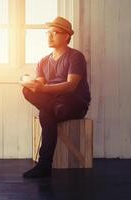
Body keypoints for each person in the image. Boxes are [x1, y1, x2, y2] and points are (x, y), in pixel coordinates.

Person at [21, 16, 91, 178]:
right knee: (28, 93)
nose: (49, 36)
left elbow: (71, 85)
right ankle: (44, 166)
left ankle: (43, 166)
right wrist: (28, 83)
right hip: (55, 104)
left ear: (66, 36)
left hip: (74, 104)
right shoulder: (43, 62)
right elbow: (39, 87)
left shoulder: (75, 56)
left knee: (46, 114)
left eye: (54, 32)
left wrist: (43, 88)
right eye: (48, 33)